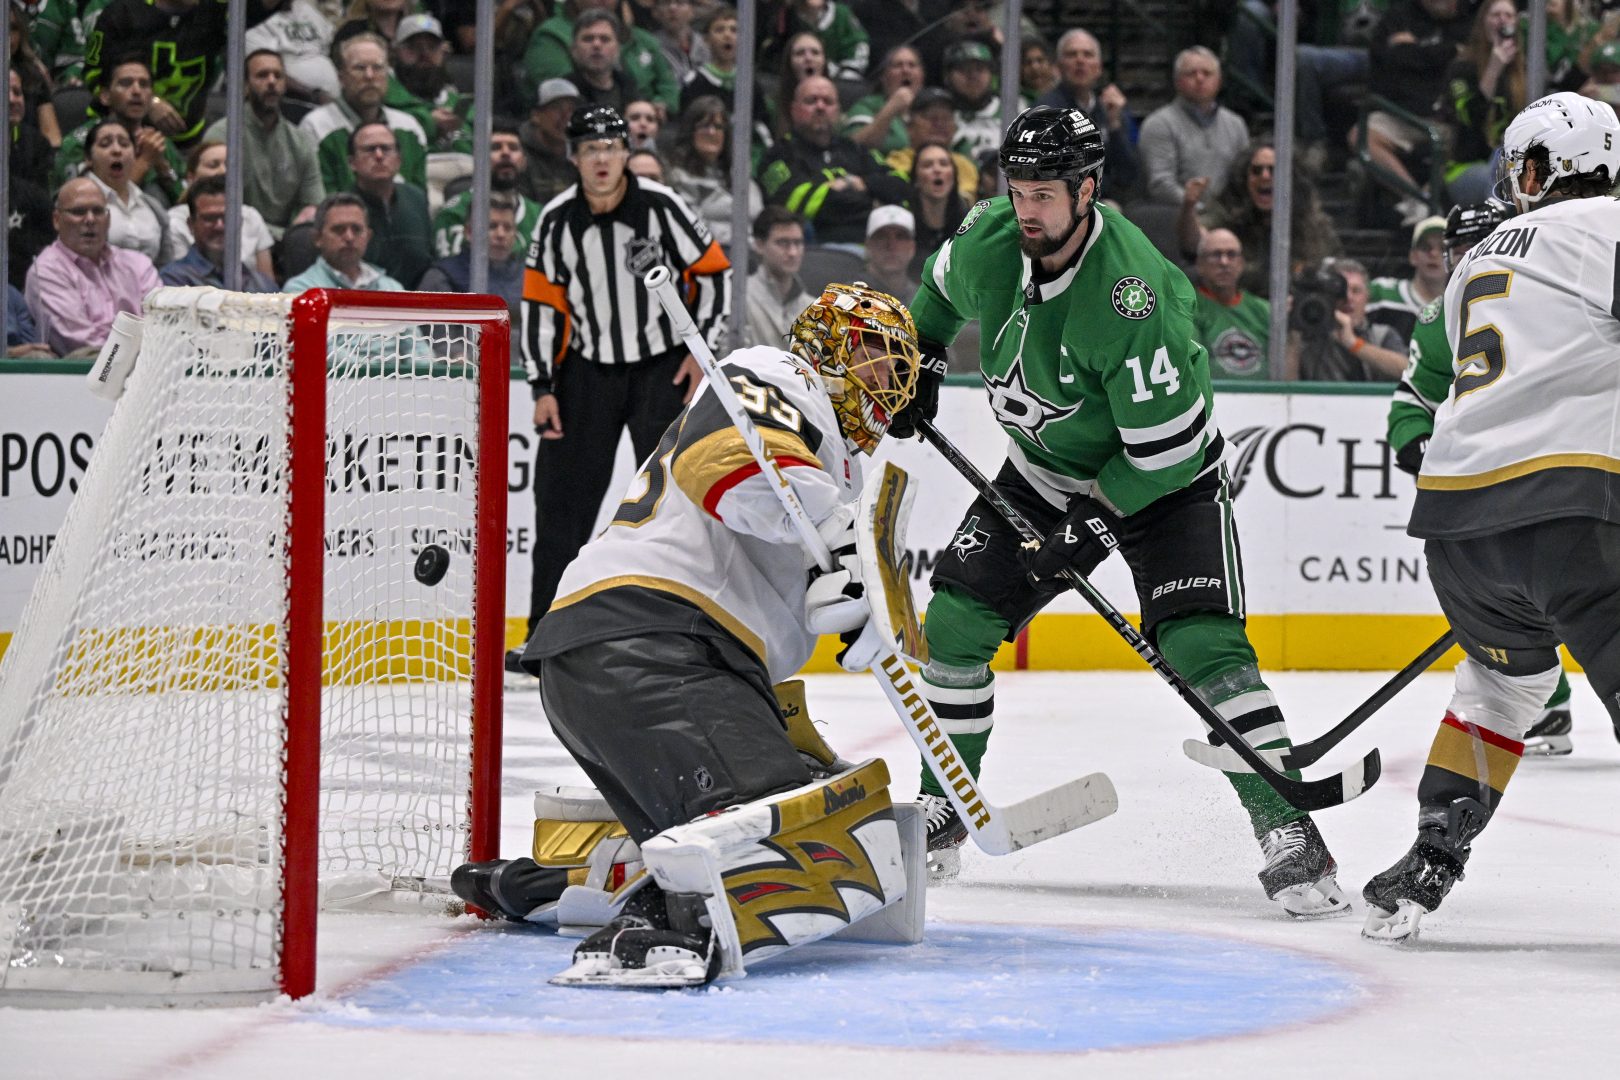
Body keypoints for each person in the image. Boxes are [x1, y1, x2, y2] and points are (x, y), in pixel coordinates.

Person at [889, 106, 1351, 916]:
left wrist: (1094, 521)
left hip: (1164, 484)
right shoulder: (993, 236)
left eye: (1044, 194)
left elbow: (1165, 452)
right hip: (1042, 471)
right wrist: (923, 354)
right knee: (957, 621)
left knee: (1201, 641)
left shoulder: (1134, 298)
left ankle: (1287, 827)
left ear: (1088, 190)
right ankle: (943, 807)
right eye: (1018, 189)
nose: (1026, 207)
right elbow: (936, 287)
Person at [454, 282, 919, 986]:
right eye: (873, 360)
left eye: (895, 373)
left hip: (642, 655)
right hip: (652, 644)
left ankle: (568, 881)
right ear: (826, 346)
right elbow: (722, 466)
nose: (884, 386)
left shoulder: (827, 457)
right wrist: (835, 530)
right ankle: (654, 929)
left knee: (810, 811)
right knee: (783, 851)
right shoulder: (775, 373)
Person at [1363, 93, 1620, 943]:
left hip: (1459, 530)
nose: (1518, 182)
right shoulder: (1607, 228)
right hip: (1570, 513)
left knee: (1500, 687)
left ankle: (1435, 850)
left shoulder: (1478, 260)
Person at [515, 106, 730, 669]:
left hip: (660, 366)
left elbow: (713, 271)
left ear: (626, 154)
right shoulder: (557, 220)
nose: (602, 159)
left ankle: (684, 633)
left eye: (611, 147)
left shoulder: (662, 206)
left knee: (676, 501)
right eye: (591, 150)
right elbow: (542, 305)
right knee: (560, 503)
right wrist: (542, 383)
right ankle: (544, 634)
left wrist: (697, 351)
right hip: (586, 373)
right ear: (574, 158)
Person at [1385, 197, 1583, 761]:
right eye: (1459, 248)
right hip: (1490, 478)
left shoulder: (1555, 294)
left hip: (1552, 467)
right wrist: (1418, 444)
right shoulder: (1441, 314)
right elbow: (1411, 402)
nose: (1470, 256)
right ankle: (1547, 701)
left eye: (1482, 242)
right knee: (1510, 598)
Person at [1353, 0, 1472, 225]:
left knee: (1467, 137)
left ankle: (1427, 202)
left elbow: (1470, 59)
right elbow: (1390, 63)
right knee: (1361, 134)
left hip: (1450, 118)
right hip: (1405, 112)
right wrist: (1447, 52)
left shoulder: (1469, 18)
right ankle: (1417, 198)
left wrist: (1413, 50)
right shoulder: (1399, 17)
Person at [756, 75, 907, 248]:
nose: (820, 107)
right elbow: (795, 203)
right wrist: (872, 203)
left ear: (838, 111)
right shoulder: (778, 155)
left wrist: (859, 183)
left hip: (876, 251)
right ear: (794, 110)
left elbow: (900, 185)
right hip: (818, 252)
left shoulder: (854, 149)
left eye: (828, 102)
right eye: (811, 101)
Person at [1180, 139, 1341, 299]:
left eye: (1274, 170)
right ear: (1245, 178)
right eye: (1257, 170)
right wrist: (1189, 207)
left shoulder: (1314, 226)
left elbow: (1333, 269)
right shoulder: (1227, 211)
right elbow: (1196, 243)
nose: (1265, 176)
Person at [25, 177, 160, 356]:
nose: (90, 219)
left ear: (109, 219)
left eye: (98, 211)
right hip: (83, 375)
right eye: (78, 211)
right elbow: (80, 342)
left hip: (147, 370)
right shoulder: (46, 270)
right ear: (57, 220)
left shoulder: (138, 264)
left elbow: (162, 325)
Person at [203, 50, 326, 238]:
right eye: (262, 75)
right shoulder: (222, 136)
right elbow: (214, 205)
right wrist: (281, 236)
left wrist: (299, 227)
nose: (271, 82)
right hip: (234, 238)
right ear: (244, 85)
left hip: (287, 242)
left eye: (278, 76)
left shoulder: (300, 141)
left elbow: (313, 203)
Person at [83, 0, 229, 144]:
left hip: (189, 140)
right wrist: (150, 103)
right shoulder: (122, 14)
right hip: (114, 135)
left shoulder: (217, 11)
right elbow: (93, 76)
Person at [299, 33, 430, 193]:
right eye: (359, 68)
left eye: (377, 68)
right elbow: (320, 200)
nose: (369, 76)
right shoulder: (316, 126)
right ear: (341, 77)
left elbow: (419, 200)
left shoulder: (409, 127)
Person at [53, 55, 184, 202]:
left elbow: (190, 208)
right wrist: (145, 161)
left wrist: (164, 169)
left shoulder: (159, 143)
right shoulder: (78, 145)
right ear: (105, 96)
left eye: (144, 84)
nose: (136, 91)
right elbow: (88, 208)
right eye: (126, 83)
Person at [1138, 47, 1250, 208]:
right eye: (1191, 73)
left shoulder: (1236, 124)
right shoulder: (1159, 124)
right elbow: (1160, 184)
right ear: (1177, 82)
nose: (1199, 78)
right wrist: (1198, 209)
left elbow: (1244, 176)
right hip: (1176, 215)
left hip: (1227, 215)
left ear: (1219, 81)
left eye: (1207, 73)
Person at [1439, 0, 1525, 206]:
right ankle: (1499, 234)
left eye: (1509, 15)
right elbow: (1470, 118)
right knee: (1501, 172)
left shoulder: (1523, 72)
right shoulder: (1462, 68)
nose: (1502, 20)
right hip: (1467, 165)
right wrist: (1494, 69)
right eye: (1496, 15)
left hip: (1512, 162)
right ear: (1483, 23)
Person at [1037, 28, 1139, 196]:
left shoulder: (1111, 106)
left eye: (1088, 54)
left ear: (1098, 67)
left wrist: (1114, 125)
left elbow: (1128, 175)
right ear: (1058, 67)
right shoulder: (1047, 110)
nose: (1080, 60)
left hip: (1106, 199)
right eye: (1071, 54)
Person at [163, 141, 277, 279]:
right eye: (213, 165)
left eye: (230, 165)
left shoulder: (251, 215)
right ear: (191, 178)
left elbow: (267, 283)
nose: (224, 171)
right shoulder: (174, 221)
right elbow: (183, 276)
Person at [433, 123, 543, 259]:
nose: (506, 153)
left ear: (524, 161)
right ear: (478, 159)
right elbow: (451, 267)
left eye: (513, 148)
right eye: (495, 147)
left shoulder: (540, 215)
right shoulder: (454, 212)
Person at [346, 121, 434, 289]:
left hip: (417, 304)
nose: (379, 155)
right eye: (369, 149)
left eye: (386, 149)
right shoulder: (342, 209)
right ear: (352, 163)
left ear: (399, 160)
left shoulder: (416, 198)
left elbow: (429, 260)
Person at [664, 95, 761, 247]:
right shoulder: (677, 177)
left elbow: (757, 216)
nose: (711, 132)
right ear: (691, 131)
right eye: (704, 126)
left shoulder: (741, 174)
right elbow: (692, 227)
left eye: (718, 127)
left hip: (749, 256)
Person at [1289, 257, 1408, 381]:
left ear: (1367, 297)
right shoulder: (1307, 340)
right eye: (1341, 291)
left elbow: (1409, 372)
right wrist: (1293, 334)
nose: (1348, 298)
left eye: (1356, 291)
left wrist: (1353, 343)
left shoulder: (1381, 335)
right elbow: (1284, 389)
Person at [418, 189, 526, 326]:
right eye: (492, 226)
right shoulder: (442, 277)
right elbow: (439, 341)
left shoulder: (527, 276)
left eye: (508, 228)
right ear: (469, 232)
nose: (501, 234)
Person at [158, 175, 279, 291]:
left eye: (227, 217)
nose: (219, 226)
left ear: (240, 222)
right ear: (191, 224)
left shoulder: (262, 285)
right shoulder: (172, 282)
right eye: (209, 218)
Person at [81, 119, 170, 267]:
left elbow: (166, 263)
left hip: (151, 287)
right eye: (105, 144)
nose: (117, 150)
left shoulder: (151, 205)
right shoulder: (76, 202)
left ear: (135, 154)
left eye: (124, 144)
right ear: (88, 158)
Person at [281, 191, 406, 292]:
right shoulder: (301, 290)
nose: (349, 237)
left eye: (356, 229)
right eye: (338, 229)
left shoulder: (392, 289)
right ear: (318, 238)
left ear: (368, 236)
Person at [385, 13, 471, 155]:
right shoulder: (384, 98)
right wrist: (428, 123)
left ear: (444, 51)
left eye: (432, 47)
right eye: (414, 47)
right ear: (395, 52)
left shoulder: (458, 103)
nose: (424, 54)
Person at [1191, 228, 1270, 380]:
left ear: (1241, 264)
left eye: (1231, 255)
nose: (1224, 262)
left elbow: (1286, 379)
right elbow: (1192, 368)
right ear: (1200, 264)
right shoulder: (1187, 308)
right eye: (1216, 255)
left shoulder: (1264, 310)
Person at [883, 87, 979, 203]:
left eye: (946, 118)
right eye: (931, 117)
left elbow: (966, 205)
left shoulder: (965, 166)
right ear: (910, 127)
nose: (939, 124)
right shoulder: (897, 161)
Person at [1367, 216, 1449, 347]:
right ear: (1412, 256)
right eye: (1425, 247)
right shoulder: (1381, 293)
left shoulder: (1464, 309)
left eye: (1443, 249)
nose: (1434, 253)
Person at [742, 205, 811, 348]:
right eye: (783, 243)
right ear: (759, 245)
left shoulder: (813, 307)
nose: (793, 252)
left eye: (798, 243)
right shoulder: (739, 298)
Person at [244, 0, 339, 103]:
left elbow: (332, 43)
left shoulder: (304, 8)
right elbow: (267, 74)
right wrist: (314, 95)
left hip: (334, 99)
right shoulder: (255, 23)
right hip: (295, 102)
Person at [845, 44, 924, 154]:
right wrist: (891, 109)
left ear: (922, 76)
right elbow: (852, 148)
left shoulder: (930, 108)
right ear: (884, 76)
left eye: (912, 65)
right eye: (898, 65)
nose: (906, 70)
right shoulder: (867, 106)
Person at [907, 141, 968, 278]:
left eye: (944, 164)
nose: (937, 170)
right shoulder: (905, 222)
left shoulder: (969, 221)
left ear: (953, 175)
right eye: (928, 165)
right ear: (916, 178)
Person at [520, 77, 583, 206]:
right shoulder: (519, 155)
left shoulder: (583, 154)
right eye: (557, 108)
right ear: (536, 116)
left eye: (572, 109)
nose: (567, 117)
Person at [941, 40, 1000, 162]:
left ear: (991, 74)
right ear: (947, 77)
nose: (973, 76)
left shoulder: (1015, 109)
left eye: (979, 69)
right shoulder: (939, 116)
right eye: (964, 69)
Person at [862, 205, 918, 299]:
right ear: (868, 246)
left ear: (912, 248)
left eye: (900, 237)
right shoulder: (848, 298)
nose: (891, 245)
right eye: (882, 236)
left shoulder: (923, 301)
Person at [6, 283, 54, 358]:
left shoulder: (11, 294)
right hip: (8, 356)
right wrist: (10, 352)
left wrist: (37, 349)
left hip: (16, 360)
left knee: (40, 356)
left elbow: (28, 340)